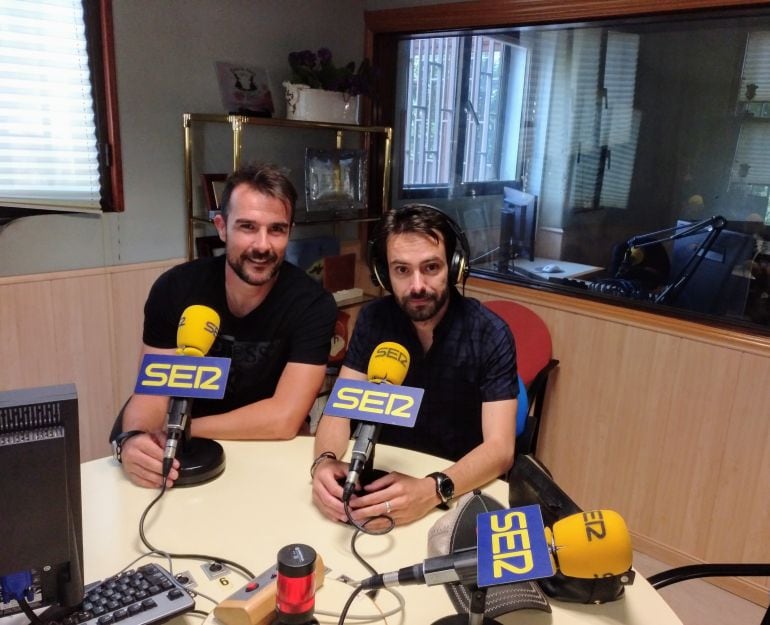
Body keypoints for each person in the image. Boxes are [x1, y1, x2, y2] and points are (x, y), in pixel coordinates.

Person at [113, 163, 337, 488]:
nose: (262, 245)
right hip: (182, 456)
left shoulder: (312, 304)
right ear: (221, 226)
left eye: (276, 229)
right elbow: (151, 394)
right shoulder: (175, 289)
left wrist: (182, 428)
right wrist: (132, 440)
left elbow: (284, 418)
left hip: (266, 451)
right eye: (247, 227)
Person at [311, 204, 518, 528]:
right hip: (380, 486)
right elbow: (339, 410)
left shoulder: (491, 334)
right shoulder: (374, 320)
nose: (417, 285)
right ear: (384, 274)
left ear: (454, 266)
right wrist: (324, 463)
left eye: (431, 267)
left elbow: (501, 448)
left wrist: (433, 489)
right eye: (402, 270)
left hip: (454, 494)